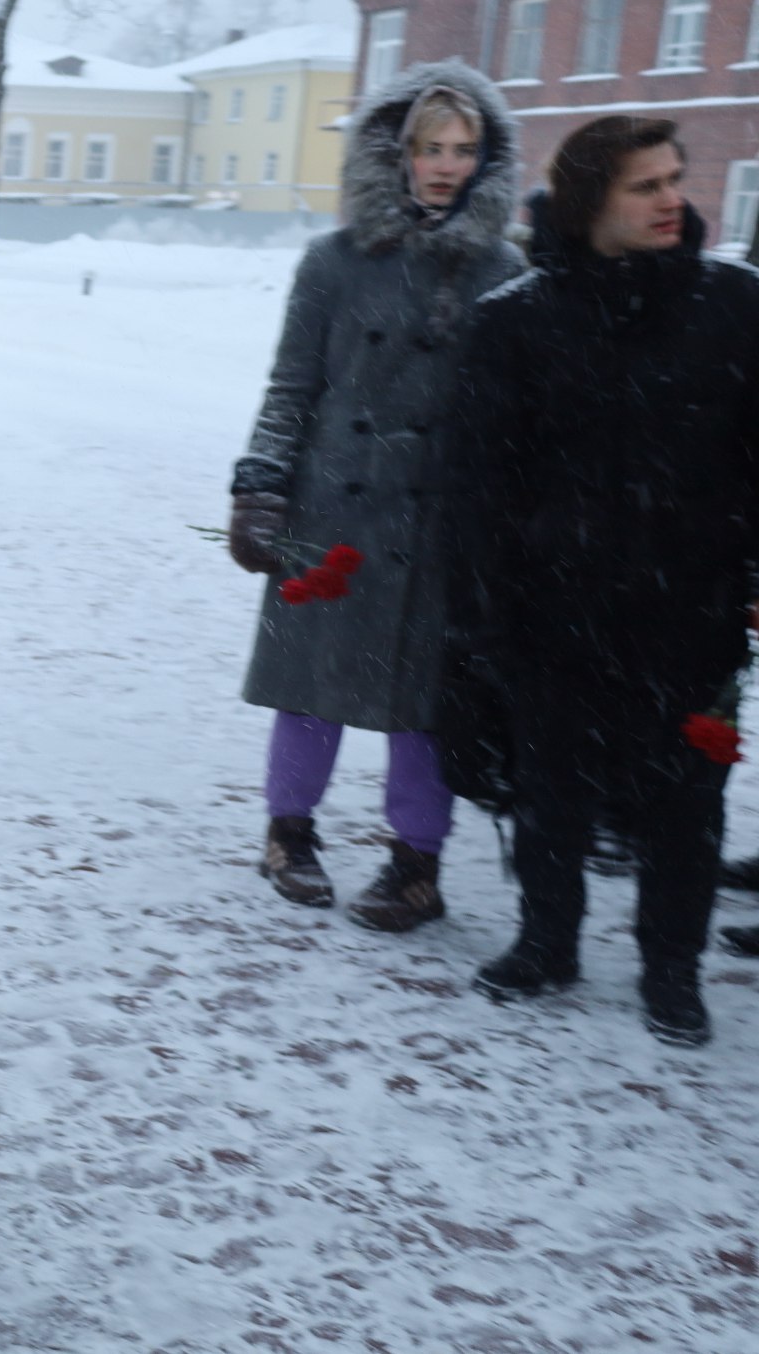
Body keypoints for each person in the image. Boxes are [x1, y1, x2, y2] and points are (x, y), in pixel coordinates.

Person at [451, 116, 759, 1046]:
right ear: (590, 201)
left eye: (674, 179)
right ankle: (547, 943)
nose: (672, 200)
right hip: (556, 608)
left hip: (691, 607)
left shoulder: (734, 305)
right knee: (551, 793)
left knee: (686, 806)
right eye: (645, 185)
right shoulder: (513, 321)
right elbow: (479, 484)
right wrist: (484, 613)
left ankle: (672, 971)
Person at [227, 61, 523, 932]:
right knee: (310, 684)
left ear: (485, 161)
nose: (445, 166)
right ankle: (288, 834)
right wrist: (261, 486)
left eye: (463, 150)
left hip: (439, 519)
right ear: (397, 154)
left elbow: (517, 413)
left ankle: (417, 864)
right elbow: (291, 387)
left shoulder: (504, 270)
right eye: (430, 148)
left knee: (426, 702)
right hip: (335, 508)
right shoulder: (334, 262)